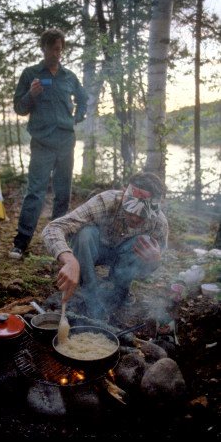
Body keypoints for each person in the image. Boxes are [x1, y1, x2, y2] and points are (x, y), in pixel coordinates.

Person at [42, 172, 169, 322]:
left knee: (145, 242)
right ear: (124, 197)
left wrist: (153, 263)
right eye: (131, 210)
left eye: (143, 214)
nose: (135, 218)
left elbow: (143, 274)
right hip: (96, 250)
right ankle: (89, 291)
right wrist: (69, 260)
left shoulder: (159, 224)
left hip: (124, 259)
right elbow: (53, 228)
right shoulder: (106, 201)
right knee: (84, 234)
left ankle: (119, 291)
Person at [9, 28, 88, 260]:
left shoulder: (69, 76)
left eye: (61, 49)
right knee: (35, 192)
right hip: (41, 142)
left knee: (63, 193)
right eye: (54, 48)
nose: (58, 53)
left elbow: (83, 99)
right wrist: (31, 95)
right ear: (43, 48)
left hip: (65, 140)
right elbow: (19, 108)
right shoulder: (30, 74)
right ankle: (21, 244)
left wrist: (78, 116)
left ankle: (57, 241)